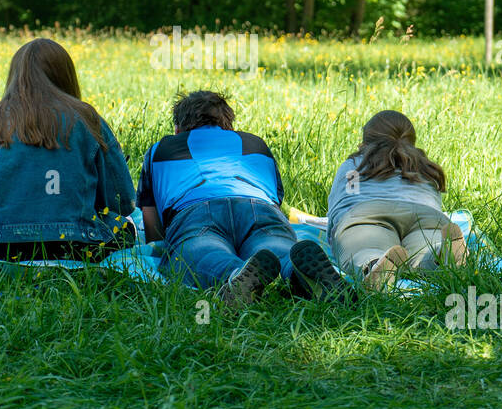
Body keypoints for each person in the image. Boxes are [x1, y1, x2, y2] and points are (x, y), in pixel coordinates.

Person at [0, 38, 136, 262]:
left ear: (15, 76)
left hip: (2, 248)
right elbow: (121, 202)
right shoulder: (89, 120)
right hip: (78, 247)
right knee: (126, 228)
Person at [137, 90, 348, 307]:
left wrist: (166, 244)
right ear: (229, 126)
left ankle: (234, 275)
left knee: (202, 253)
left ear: (177, 129)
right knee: (273, 245)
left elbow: (152, 224)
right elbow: (275, 198)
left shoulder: (160, 149)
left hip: (195, 211)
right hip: (259, 207)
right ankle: (294, 269)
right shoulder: (255, 144)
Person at [326, 110, 467, 290]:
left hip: (368, 216)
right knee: (426, 250)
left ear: (365, 142)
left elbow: (345, 201)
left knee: (365, 249)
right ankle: (442, 255)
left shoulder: (354, 167)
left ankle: (375, 266)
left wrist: (338, 231)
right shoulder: (425, 168)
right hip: (427, 217)